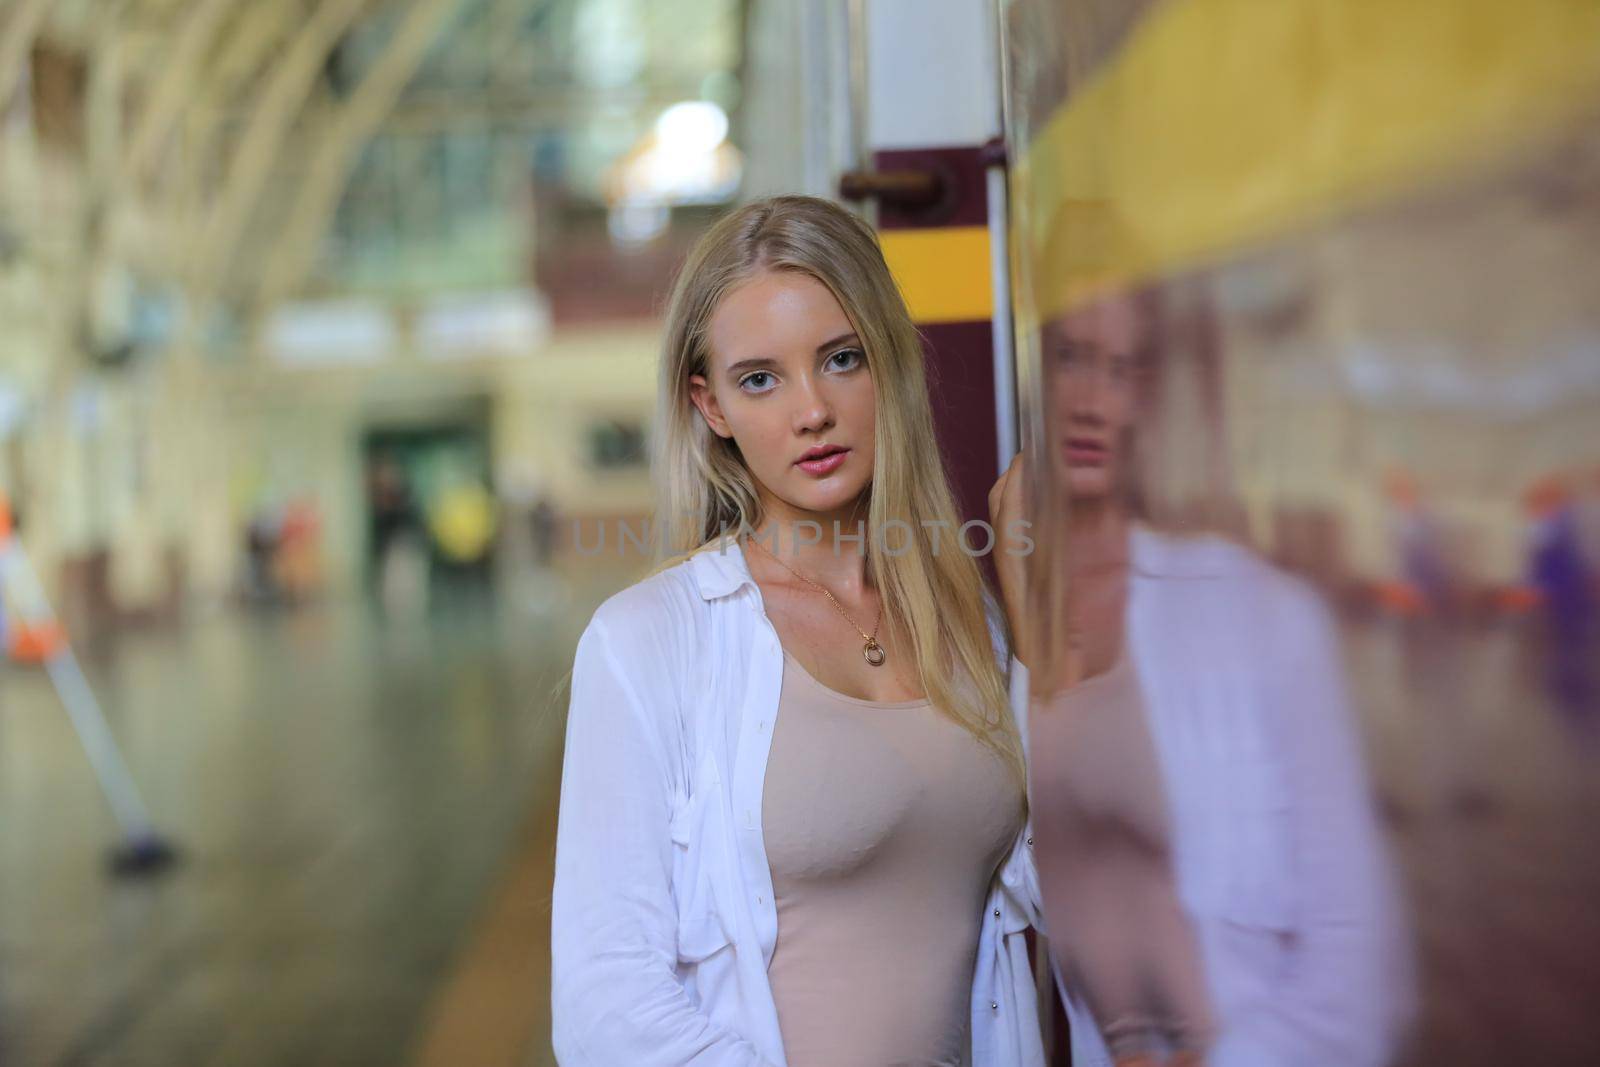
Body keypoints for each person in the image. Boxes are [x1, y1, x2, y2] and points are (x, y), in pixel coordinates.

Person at [550, 196, 1043, 1067]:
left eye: (841, 358)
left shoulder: (974, 616)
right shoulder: (650, 643)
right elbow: (604, 1011)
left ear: (888, 361)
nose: (811, 409)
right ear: (710, 406)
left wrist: (1044, 631)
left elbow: (1057, 885)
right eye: (760, 378)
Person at [991, 288, 1413, 1067]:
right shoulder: (1003, 639)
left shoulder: (1263, 619)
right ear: (1031, 372)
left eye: (1122, 370)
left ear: (1149, 395)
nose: (1089, 400)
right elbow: (1025, 895)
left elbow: (1353, 975)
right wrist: (1027, 625)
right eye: (1071, 359)